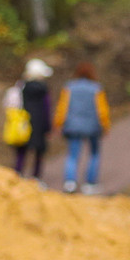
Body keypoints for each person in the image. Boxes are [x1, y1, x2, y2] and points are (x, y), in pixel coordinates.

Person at [53, 62, 111, 193]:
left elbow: (63, 107)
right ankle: (90, 184)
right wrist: (106, 125)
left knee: (73, 155)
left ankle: (70, 182)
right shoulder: (96, 88)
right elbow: (102, 109)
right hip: (92, 127)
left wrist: (58, 123)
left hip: (73, 126)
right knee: (94, 154)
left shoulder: (69, 87)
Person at [10, 58, 53, 181]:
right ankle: (36, 178)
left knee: (21, 152)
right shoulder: (43, 90)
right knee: (38, 153)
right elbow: (46, 109)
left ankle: (17, 176)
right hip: (38, 125)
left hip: (22, 124)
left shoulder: (20, 87)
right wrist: (47, 127)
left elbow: (12, 106)